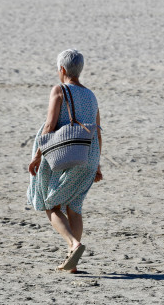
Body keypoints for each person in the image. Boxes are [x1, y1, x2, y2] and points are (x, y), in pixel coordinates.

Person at [28, 49, 102, 274]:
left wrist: (37, 156)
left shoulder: (59, 90)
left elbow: (50, 126)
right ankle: (73, 263)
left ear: (62, 69)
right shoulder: (91, 95)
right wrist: (96, 164)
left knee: (50, 204)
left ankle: (73, 244)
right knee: (75, 207)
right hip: (89, 155)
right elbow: (97, 132)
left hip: (67, 153)